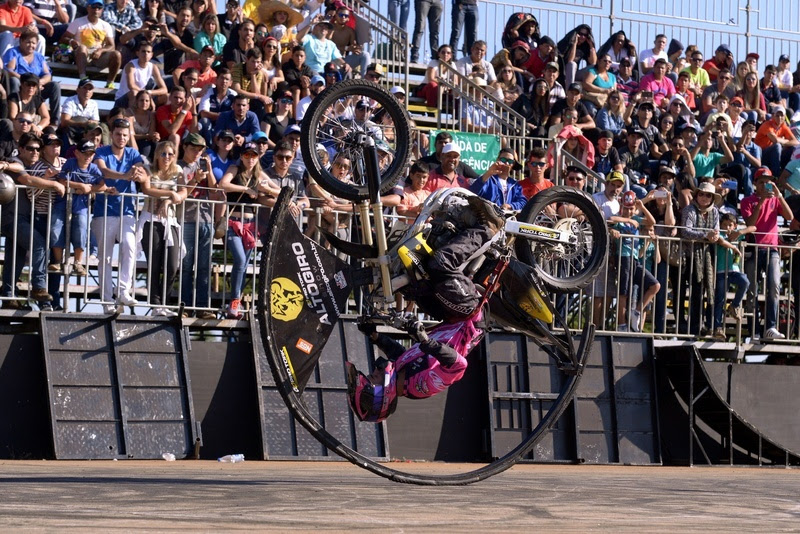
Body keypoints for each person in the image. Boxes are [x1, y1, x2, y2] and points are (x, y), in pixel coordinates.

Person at [347, 313, 482, 423]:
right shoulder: (421, 385)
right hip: (471, 322)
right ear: (383, 393)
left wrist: (374, 336)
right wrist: (426, 342)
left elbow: (399, 353)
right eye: (375, 376)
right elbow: (458, 366)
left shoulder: (399, 371)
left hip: (452, 318)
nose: (377, 369)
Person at [92, 118, 147, 313]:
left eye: (125, 135)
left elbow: (142, 169)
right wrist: (125, 176)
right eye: (118, 134)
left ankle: (123, 291)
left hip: (127, 210)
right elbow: (103, 171)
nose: (121, 138)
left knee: (130, 246)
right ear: (112, 134)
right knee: (104, 258)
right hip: (103, 211)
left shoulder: (132, 153)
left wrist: (139, 172)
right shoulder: (101, 151)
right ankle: (107, 301)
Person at [218, 141, 279, 318]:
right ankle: (235, 299)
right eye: (247, 155)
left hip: (251, 225)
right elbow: (224, 184)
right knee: (239, 259)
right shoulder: (235, 169)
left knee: (243, 265)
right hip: (233, 222)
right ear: (242, 156)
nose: (250, 159)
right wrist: (247, 189)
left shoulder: (260, 174)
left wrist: (264, 188)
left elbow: (279, 190)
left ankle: (235, 302)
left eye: (254, 155)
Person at [741, 168, 793, 339]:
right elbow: (750, 223)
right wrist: (762, 201)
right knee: (752, 291)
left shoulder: (775, 199)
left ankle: (770, 326)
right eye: (761, 181)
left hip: (772, 249)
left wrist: (779, 197)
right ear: (755, 184)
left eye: (768, 181)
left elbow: (790, 216)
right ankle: (754, 330)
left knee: (774, 286)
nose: (765, 184)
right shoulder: (748, 201)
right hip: (754, 248)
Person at [138, 140, 185, 316]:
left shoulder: (178, 171)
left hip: (170, 220)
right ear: (157, 154)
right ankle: (156, 304)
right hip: (150, 218)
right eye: (163, 153)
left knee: (172, 264)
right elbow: (147, 189)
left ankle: (164, 301)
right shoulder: (149, 169)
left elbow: (183, 192)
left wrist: (169, 199)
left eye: (170, 154)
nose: (167, 157)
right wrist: (170, 193)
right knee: (155, 264)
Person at [53, 139, 105, 278]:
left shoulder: (93, 169)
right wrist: (80, 186)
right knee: (56, 227)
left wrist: (89, 189)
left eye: (91, 154)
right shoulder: (70, 163)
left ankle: (78, 262)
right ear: (76, 153)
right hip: (62, 203)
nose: (88, 157)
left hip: (81, 206)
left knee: (81, 229)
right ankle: (58, 261)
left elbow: (102, 185)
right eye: (85, 153)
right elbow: (62, 180)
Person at [612, 191, 660, 332]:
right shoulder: (620, 220)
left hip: (634, 259)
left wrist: (642, 207)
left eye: (631, 208)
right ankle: (621, 324)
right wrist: (627, 220)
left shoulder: (637, 219)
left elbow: (652, 222)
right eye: (626, 208)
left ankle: (636, 312)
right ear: (622, 207)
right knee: (623, 292)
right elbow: (611, 219)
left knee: (655, 285)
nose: (629, 211)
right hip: (623, 256)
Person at [61, 0, 121, 89]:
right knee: (82, 48)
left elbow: (112, 46)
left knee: (117, 54)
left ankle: (110, 82)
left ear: (102, 10)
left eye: (99, 8)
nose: (96, 10)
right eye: (94, 7)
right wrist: (71, 41)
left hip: (98, 56)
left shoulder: (106, 25)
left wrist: (101, 50)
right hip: (81, 54)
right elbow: (63, 39)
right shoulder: (78, 22)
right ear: (88, 8)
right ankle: (83, 78)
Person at [3, 28, 60, 120]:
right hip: (20, 86)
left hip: (36, 88)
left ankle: (55, 121)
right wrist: (26, 81)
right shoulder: (13, 52)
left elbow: (47, 74)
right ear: (21, 41)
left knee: (55, 86)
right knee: (14, 81)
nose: (31, 45)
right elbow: (9, 71)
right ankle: (14, 115)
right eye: (28, 42)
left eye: (33, 43)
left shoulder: (39, 57)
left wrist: (38, 82)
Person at [712, 212, 752, 340]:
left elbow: (753, 228)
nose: (727, 228)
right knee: (719, 299)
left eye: (730, 225)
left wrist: (740, 232)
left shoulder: (736, 235)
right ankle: (717, 327)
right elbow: (721, 241)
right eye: (724, 225)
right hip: (721, 271)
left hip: (734, 270)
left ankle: (734, 305)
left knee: (745, 282)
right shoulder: (719, 233)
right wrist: (734, 248)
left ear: (734, 226)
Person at [116, 40, 168, 109]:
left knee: (166, 96)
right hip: (124, 99)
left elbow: (164, 89)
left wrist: (149, 93)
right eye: (143, 51)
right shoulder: (131, 65)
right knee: (134, 92)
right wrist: (146, 95)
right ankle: (132, 116)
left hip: (143, 97)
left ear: (151, 55)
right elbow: (131, 86)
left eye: (148, 52)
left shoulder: (153, 67)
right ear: (138, 53)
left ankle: (155, 116)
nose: (146, 54)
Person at [754, 106, 798, 176]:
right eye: (777, 115)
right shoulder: (767, 125)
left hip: (774, 154)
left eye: (782, 116)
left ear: (784, 117)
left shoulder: (783, 126)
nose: (780, 118)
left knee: (791, 148)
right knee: (777, 146)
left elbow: (796, 142)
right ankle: (776, 175)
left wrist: (783, 142)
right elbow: (775, 140)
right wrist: (785, 141)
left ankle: (786, 173)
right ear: (772, 116)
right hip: (761, 154)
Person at [409, 0, 441, 64]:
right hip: (423, 1)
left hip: (437, 2)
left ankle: (435, 56)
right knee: (419, 28)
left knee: (435, 31)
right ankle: (414, 55)